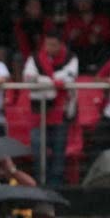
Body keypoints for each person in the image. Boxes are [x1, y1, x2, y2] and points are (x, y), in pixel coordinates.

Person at [23, 30, 78, 185]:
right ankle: (40, 182)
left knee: (59, 152)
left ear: (61, 45)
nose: (49, 47)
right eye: (47, 44)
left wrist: (43, 81)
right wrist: (53, 82)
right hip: (38, 112)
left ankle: (56, 185)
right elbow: (28, 78)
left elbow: (68, 77)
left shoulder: (71, 58)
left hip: (61, 112)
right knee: (37, 149)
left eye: (53, 45)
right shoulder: (34, 58)